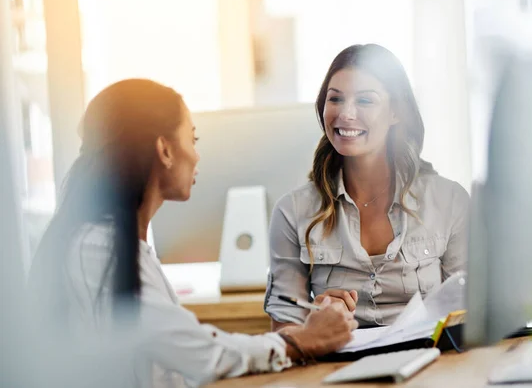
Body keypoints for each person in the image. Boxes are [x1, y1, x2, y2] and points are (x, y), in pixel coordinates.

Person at [27, 79, 357, 388]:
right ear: (165, 150)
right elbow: (202, 354)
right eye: (193, 139)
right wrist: (302, 340)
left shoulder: (117, 245)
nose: (197, 155)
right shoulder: (98, 249)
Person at [265, 44, 470, 330]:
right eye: (335, 99)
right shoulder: (292, 212)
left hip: (429, 364)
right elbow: (285, 331)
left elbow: (469, 315)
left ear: (396, 112)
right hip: (335, 368)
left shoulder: (449, 201)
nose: (346, 114)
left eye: (365, 101)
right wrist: (315, 324)